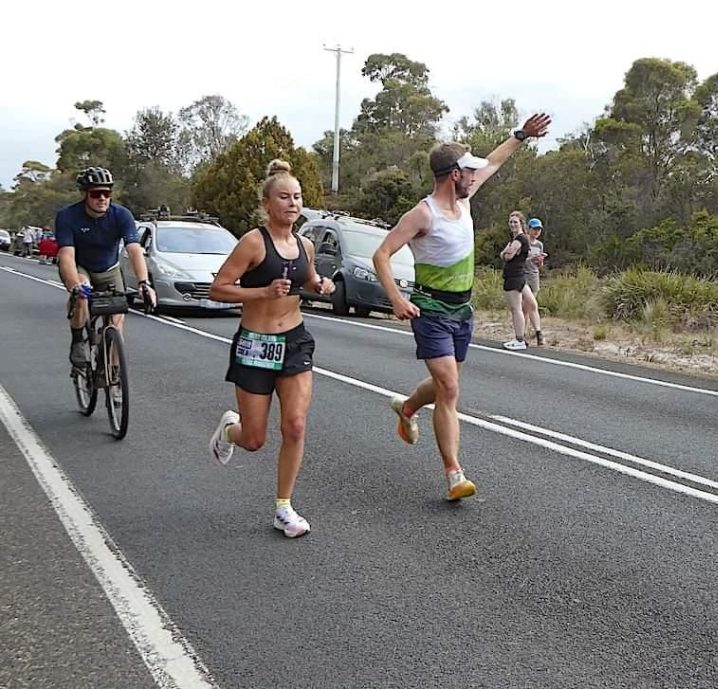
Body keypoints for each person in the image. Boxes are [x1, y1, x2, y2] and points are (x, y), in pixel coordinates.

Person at [372, 113, 552, 501]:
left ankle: (407, 408)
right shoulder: (423, 214)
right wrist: (397, 298)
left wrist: (521, 135)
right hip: (430, 309)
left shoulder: (465, 201)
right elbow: (382, 254)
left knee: (443, 387)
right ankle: (454, 475)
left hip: (462, 311)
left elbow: (496, 161)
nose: (475, 176)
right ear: (454, 175)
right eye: (468, 172)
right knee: (450, 388)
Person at [206, 159, 336, 538]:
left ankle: (284, 507)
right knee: (254, 439)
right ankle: (231, 430)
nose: (292, 204)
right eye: (284, 197)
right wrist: (262, 291)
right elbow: (218, 289)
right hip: (256, 344)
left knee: (295, 425)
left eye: (297, 197)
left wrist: (321, 286)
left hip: (294, 340)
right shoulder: (252, 242)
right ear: (267, 203)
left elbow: (309, 280)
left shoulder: (305, 245)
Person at [55, 167, 157, 368]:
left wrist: (144, 283)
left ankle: (111, 373)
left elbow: (135, 251)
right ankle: (77, 340)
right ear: (84, 194)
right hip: (81, 266)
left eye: (107, 193)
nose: (102, 198)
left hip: (109, 269)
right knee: (82, 294)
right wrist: (74, 285)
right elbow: (66, 256)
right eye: (95, 194)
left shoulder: (122, 215)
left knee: (117, 326)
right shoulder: (68, 216)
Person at [500, 211, 543, 349]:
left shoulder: (519, 239)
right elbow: (504, 254)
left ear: (521, 224)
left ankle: (519, 339)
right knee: (531, 304)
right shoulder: (516, 239)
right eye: (511, 221)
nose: (512, 224)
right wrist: (507, 252)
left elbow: (508, 256)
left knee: (516, 308)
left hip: (514, 277)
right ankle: (525, 336)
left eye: (515, 222)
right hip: (520, 276)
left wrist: (508, 252)